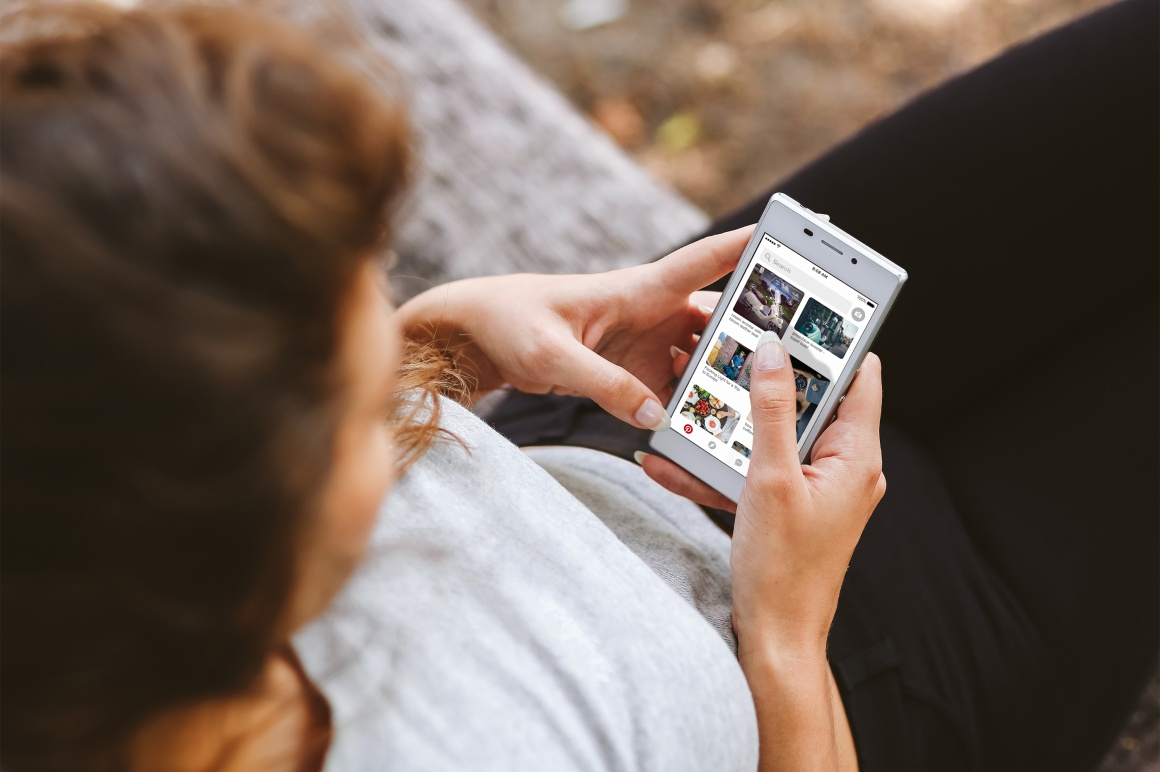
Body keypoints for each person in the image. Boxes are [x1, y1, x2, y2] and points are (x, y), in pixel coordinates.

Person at [0, 3, 1153, 772]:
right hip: (871, 672)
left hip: (595, 443)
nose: (409, 401)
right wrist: (788, 640)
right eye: (364, 405)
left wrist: (451, 346)